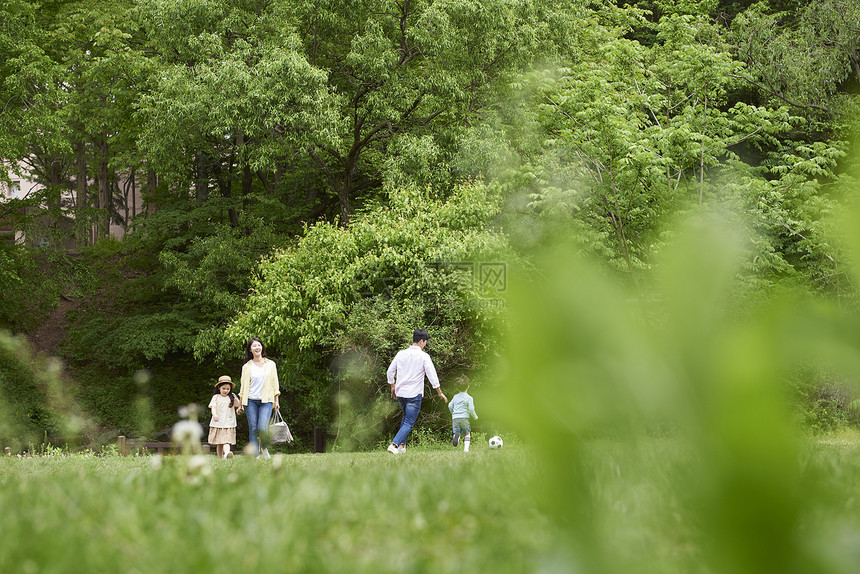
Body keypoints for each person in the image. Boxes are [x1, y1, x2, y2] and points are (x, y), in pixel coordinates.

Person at [386, 329, 447, 454]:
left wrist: (393, 385)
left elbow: (390, 371)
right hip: (414, 395)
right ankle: (394, 445)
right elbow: (432, 376)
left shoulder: (401, 354)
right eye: (425, 342)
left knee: (406, 418)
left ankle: (402, 446)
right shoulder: (424, 356)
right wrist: (439, 392)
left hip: (401, 393)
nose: (425, 344)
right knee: (409, 421)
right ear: (421, 341)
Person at [236, 337, 280, 459]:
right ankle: (255, 456)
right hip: (250, 401)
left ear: (262, 347)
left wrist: (276, 400)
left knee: (262, 428)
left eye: (259, 345)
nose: (257, 347)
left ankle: (264, 448)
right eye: (254, 346)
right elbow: (243, 387)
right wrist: (240, 405)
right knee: (253, 428)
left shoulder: (271, 364)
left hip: (266, 400)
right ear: (250, 349)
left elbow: (275, 383)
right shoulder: (246, 367)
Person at [208, 375, 240, 459]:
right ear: (219, 388)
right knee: (220, 442)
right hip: (218, 423)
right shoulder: (216, 397)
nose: (226, 391)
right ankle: (220, 458)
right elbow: (213, 408)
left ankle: (227, 453)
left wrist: (240, 409)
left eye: (228, 389)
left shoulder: (232, 396)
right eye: (224, 388)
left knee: (226, 441)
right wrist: (215, 415)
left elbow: (239, 405)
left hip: (229, 423)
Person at [448, 375, 478, 452]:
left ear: (457, 388)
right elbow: (471, 409)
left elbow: (450, 406)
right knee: (467, 433)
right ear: (468, 387)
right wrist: (475, 416)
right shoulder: (469, 398)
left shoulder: (455, 397)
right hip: (464, 417)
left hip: (455, 418)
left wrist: (453, 414)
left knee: (457, 431)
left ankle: (456, 437)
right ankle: (466, 449)